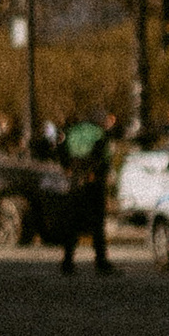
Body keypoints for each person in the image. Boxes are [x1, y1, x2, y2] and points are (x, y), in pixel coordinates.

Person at [58, 112, 115, 276]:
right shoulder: (99, 133)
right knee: (97, 223)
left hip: (75, 179)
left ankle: (68, 261)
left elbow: (61, 150)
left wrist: (68, 168)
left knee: (72, 222)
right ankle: (100, 261)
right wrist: (98, 173)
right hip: (93, 180)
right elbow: (104, 156)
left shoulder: (72, 132)